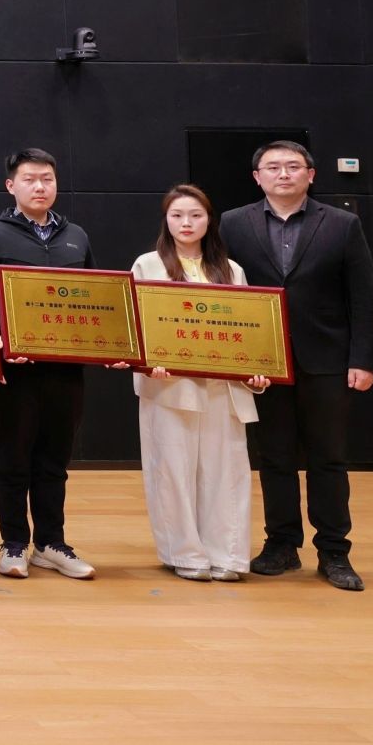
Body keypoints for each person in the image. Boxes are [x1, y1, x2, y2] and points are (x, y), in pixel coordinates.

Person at [219, 140, 373, 593]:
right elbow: (222, 290)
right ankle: (281, 545)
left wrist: (363, 359)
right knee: (275, 458)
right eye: (273, 167)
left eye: (293, 166)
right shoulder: (233, 223)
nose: (283, 174)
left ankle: (334, 551)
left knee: (328, 458)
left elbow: (363, 296)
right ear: (257, 178)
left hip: (328, 359)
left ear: (311, 175)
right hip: (263, 361)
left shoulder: (343, 224)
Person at [0, 147, 117, 580]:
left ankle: (51, 543)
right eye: (30, 179)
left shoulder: (77, 236)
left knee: (54, 460)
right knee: (13, 458)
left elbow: (96, 300)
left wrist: (111, 346)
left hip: (65, 371)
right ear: (11, 185)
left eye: (47, 179)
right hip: (15, 371)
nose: (39, 186)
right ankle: (14, 543)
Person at [131, 184, 267, 582]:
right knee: (173, 471)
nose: (186, 223)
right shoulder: (147, 265)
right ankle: (185, 553)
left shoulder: (231, 270)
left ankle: (228, 554)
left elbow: (250, 330)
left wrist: (256, 369)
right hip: (170, 386)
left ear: (210, 221)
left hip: (224, 387)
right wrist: (149, 363)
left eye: (195, 215)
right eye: (177, 216)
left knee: (227, 471)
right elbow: (137, 327)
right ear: (166, 221)